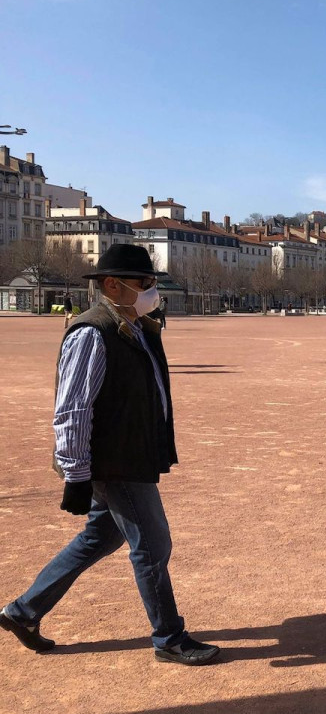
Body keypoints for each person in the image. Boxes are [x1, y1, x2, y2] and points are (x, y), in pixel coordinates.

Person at [0, 244, 220, 666]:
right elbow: (72, 409)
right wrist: (77, 476)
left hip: (129, 452)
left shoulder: (134, 326)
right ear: (112, 285)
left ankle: (23, 612)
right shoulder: (92, 332)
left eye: (152, 282)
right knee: (152, 545)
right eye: (144, 283)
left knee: (101, 536)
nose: (152, 290)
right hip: (114, 460)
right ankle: (169, 637)